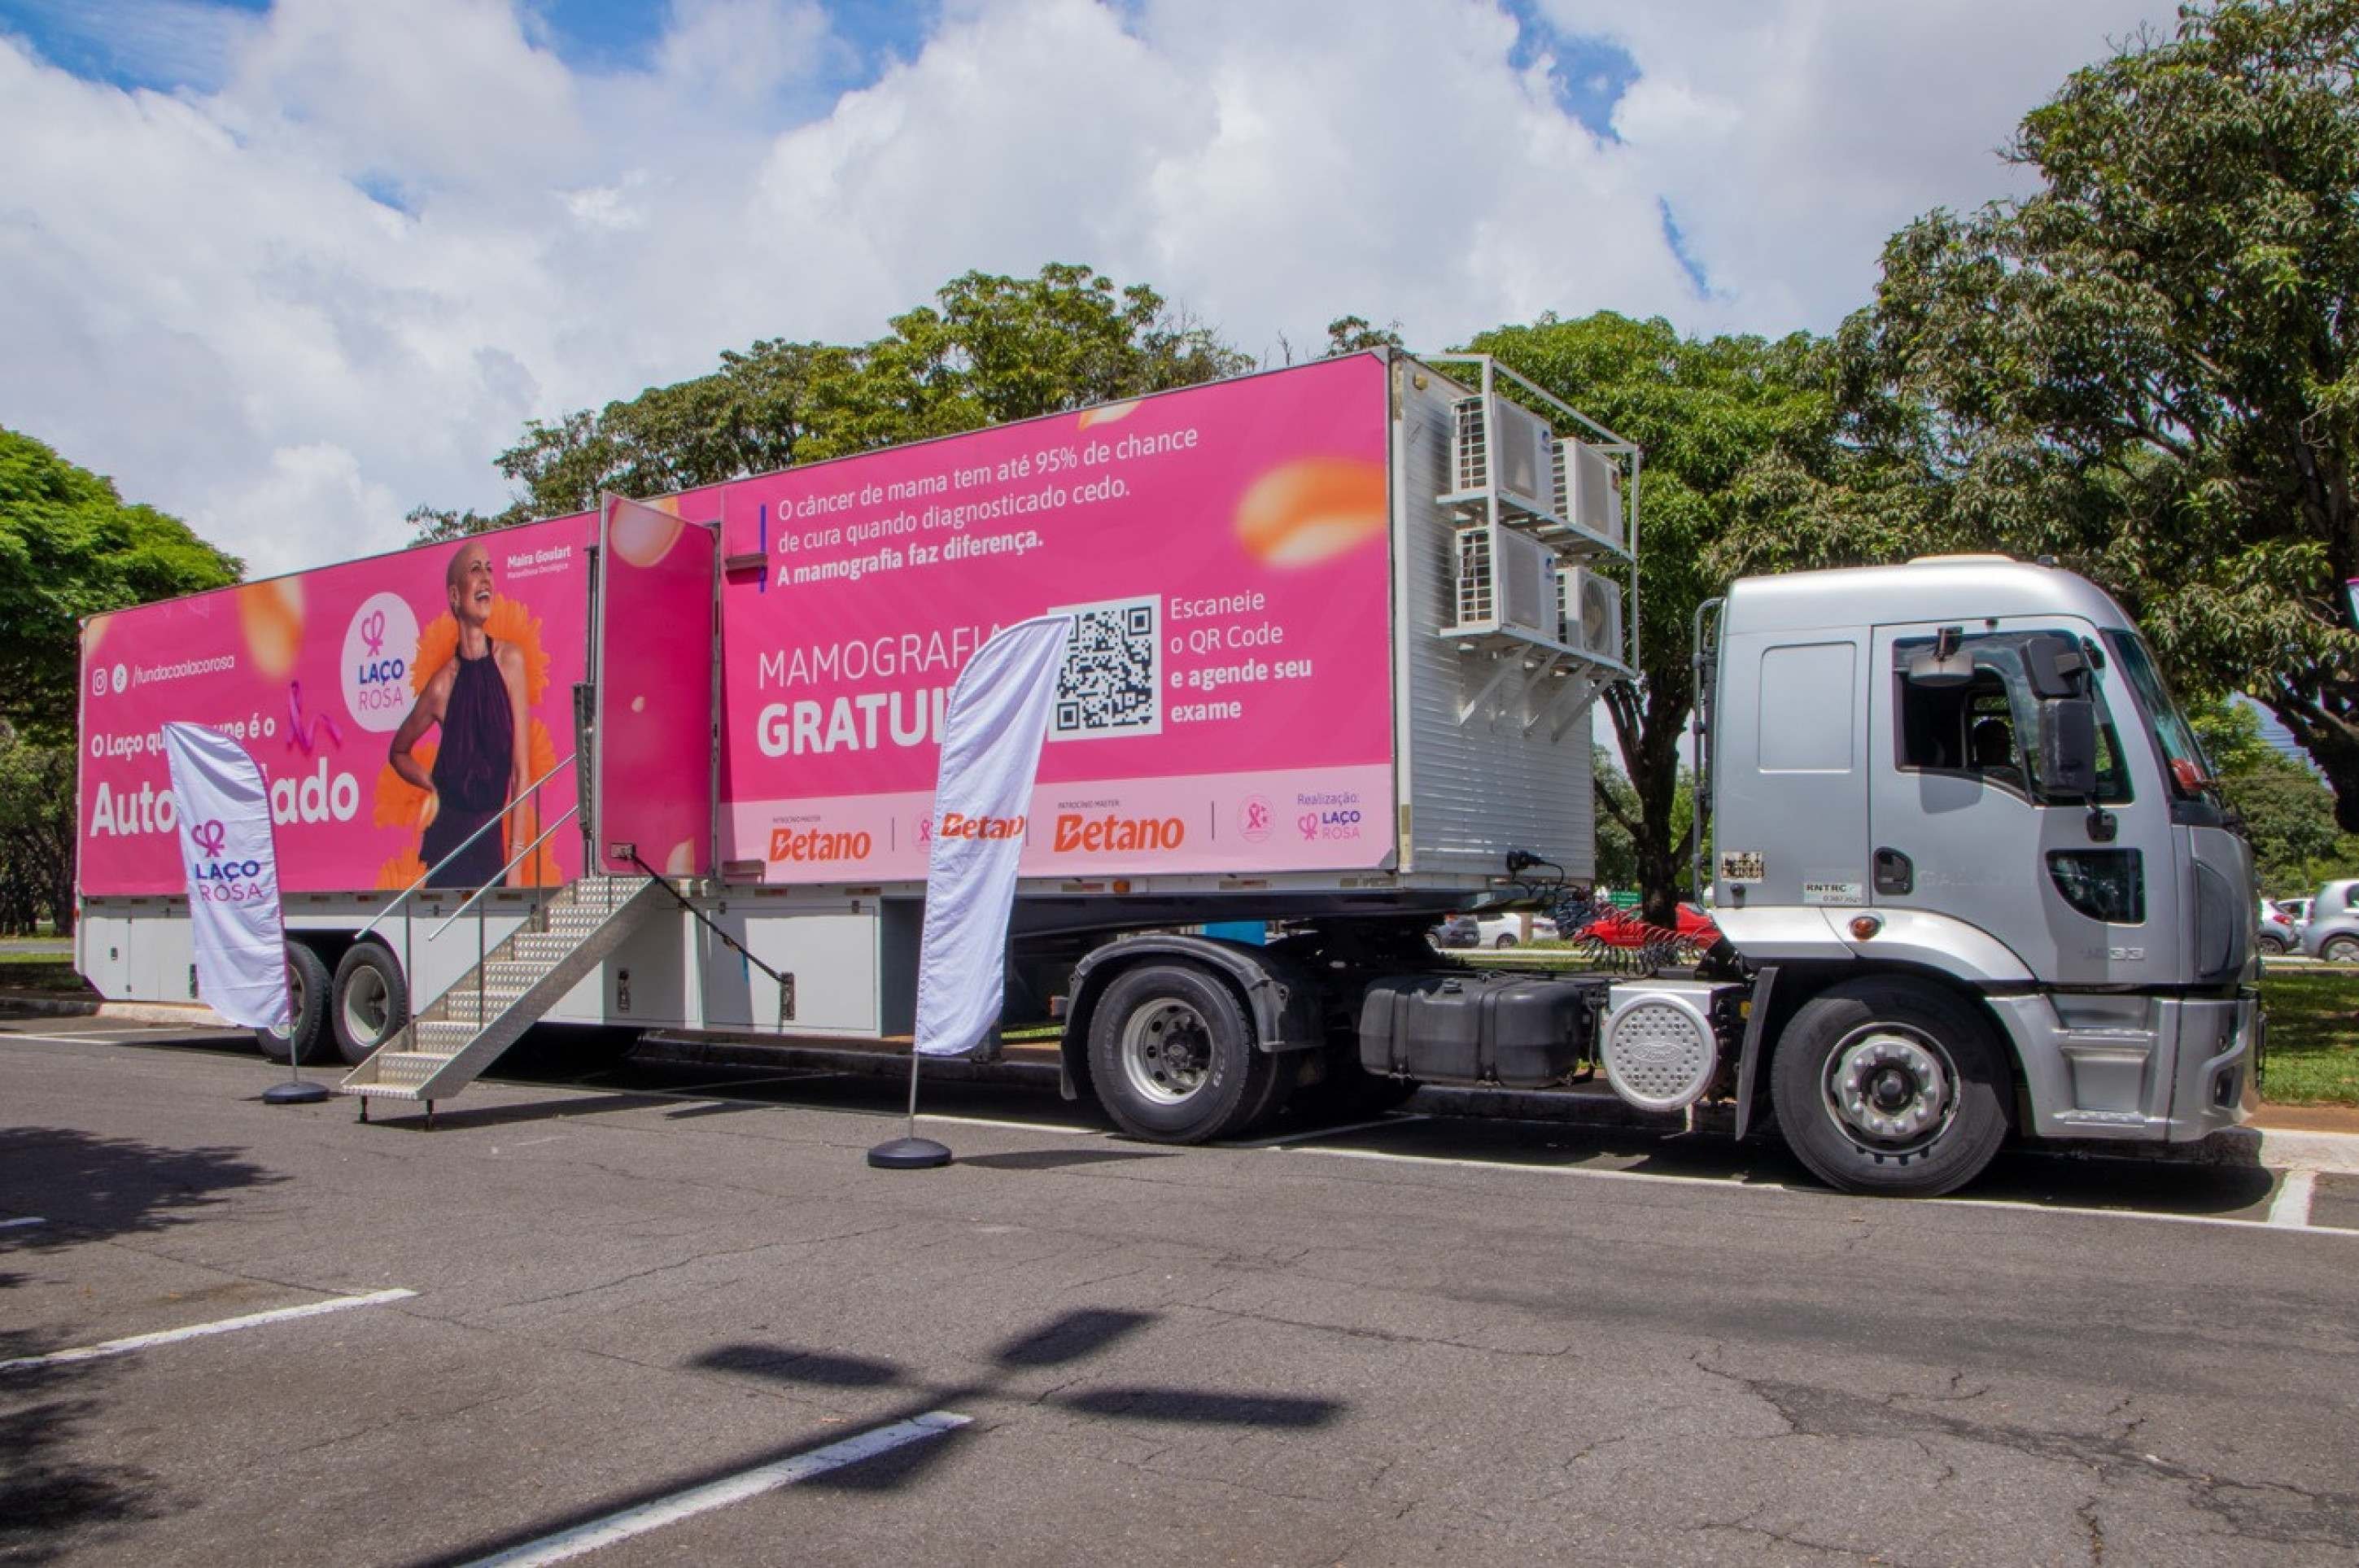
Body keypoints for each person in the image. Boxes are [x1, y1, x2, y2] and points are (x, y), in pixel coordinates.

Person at [389, 542, 532, 889]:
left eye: (489, 567)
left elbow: (521, 770)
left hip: (491, 841)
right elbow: (398, 752)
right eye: (475, 569)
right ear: (455, 596)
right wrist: (432, 784)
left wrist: (515, 859)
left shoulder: (509, 661)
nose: (486, 577)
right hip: (447, 842)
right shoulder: (441, 686)